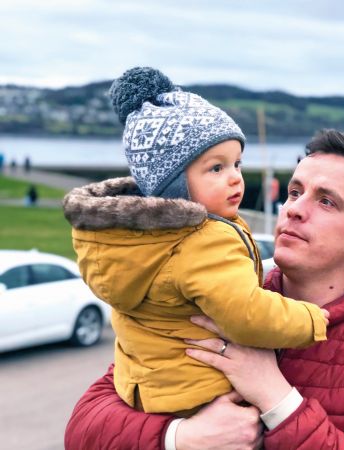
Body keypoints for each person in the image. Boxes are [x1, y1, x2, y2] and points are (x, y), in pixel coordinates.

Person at [65, 129, 344, 449]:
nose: (293, 210)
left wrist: (276, 397)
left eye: (325, 201)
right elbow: (83, 428)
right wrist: (180, 438)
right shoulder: (211, 293)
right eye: (294, 192)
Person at [61, 67, 328, 417]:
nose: (235, 178)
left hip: (149, 391)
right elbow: (245, 314)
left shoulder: (134, 239)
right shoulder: (203, 241)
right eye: (216, 168)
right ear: (174, 186)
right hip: (203, 392)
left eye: (237, 163)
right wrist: (310, 321)